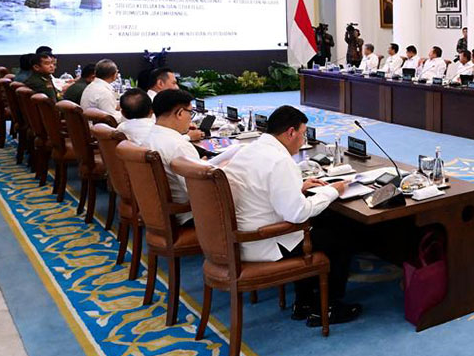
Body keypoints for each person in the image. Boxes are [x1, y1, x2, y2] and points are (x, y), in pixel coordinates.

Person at [214, 105, 361, 325]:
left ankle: (304, 301)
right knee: (341, 236)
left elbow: (260, 188)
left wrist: (298, 187)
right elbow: (297, 214)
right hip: (263, 241)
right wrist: (334, 190)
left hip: (241, 234)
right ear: (290, 132)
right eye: (302, 135)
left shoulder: (250, 149)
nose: (303, 141)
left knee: (323, 224)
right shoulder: (280, 160)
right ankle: (326, 308)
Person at [142, 89, 205, 222]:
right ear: (180, 113)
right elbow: (200, 192)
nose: (191, 118)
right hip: (188, 215)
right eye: (191, 113)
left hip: (160, 213)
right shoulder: (179, 146)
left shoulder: (148, 138)